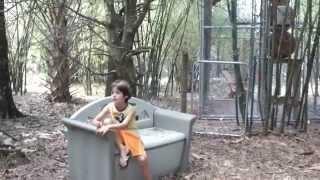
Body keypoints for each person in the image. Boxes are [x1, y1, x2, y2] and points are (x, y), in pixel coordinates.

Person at [91, 80, 152, 180]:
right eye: (112, 93)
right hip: (117, 136)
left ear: (125, 96)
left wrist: (108, 126)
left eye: (117, 93)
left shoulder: (131, 109)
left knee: (143, 159)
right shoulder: (109, 107)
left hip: (131, 135)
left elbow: (124, 125)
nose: (113, 95)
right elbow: (95, 119)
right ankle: (122, 149)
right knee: (107, 121)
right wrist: (97, 123)